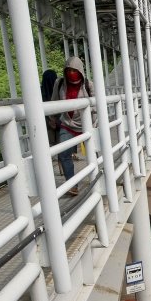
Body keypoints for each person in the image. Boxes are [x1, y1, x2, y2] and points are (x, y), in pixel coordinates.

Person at [50, 56, 93, 196]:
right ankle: (72, 184)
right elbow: (54, 101)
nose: (71, 73)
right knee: (64, 154)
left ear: (80, 71)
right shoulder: (60, 83)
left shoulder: (88, 84)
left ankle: (98, 177)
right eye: (68, 70)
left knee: (93, 153)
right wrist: (52, 118)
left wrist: (94, 123)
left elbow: (96, 105)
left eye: (74, 70)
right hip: (67, 124)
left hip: (86, 124)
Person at [41, 69, 59, 146]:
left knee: (50, 144)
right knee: (62, 144)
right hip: (59, 121)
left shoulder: (40, 91)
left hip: (46, 122)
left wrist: (49, 120)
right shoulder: (59, 89)